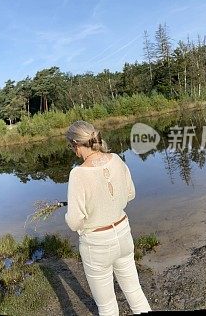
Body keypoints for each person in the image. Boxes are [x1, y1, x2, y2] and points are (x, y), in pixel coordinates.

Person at [64, 120, 151, 316]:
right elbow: (130, 194)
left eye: (71, 146)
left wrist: (74, 217)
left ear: (77, 145)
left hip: (97, 244)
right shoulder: (117, 159)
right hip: (123, 234)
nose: (73, 151)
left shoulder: (78, 174)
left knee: (107, 306)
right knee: (135, 293)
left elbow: (75, 221)